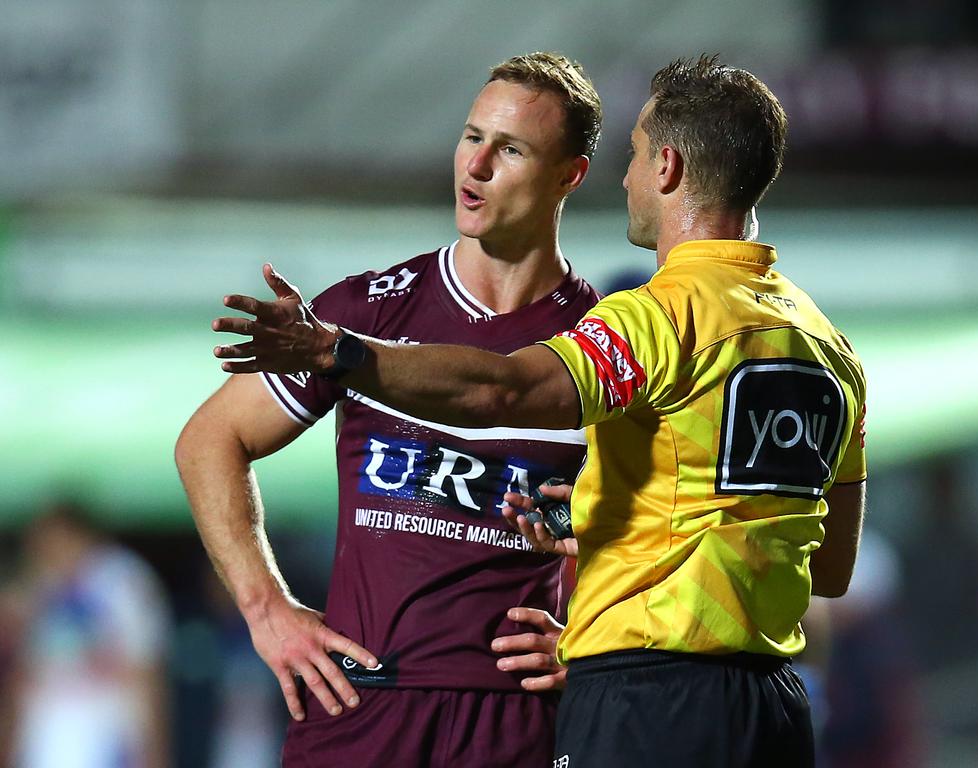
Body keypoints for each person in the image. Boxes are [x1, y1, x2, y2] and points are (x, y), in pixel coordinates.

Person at [213, 55, 868, 767]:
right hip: (768, 705)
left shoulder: (642, 323)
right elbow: (824, 566)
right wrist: (265, 606)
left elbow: (505, 390)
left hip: (636, 699)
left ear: (667, 167)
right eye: (472, 137)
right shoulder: (831, 348)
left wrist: (344, 354)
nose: (628, 177)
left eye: (637, 155)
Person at [176, 52, 602, 767]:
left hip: (519, 720)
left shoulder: (606, 342)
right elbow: (209, 439)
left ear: (570, 175)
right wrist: (266, 608)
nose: (476, 166)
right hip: (360, 709)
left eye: (511, 148)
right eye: (471, 137)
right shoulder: (366, 313)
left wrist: (596, 641)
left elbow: (653, 520)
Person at [5, 502, 172, 768]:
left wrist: (154, 750)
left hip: (104, 734)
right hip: (47, 736)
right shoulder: (38, 583)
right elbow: (22, 675)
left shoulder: (121, 580)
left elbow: (147, 670)